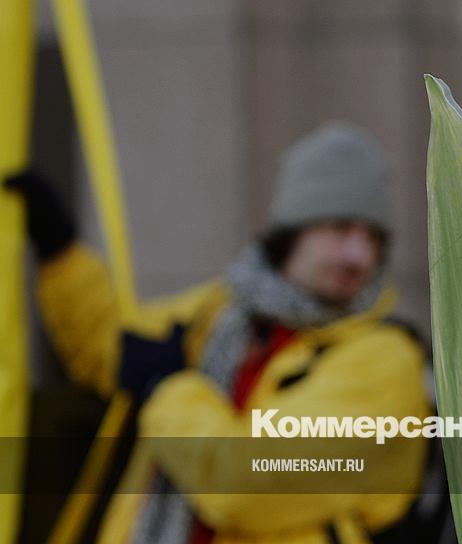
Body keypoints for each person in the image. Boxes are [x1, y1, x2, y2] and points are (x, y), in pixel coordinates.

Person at [6, 122, 434, 543]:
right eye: (340, 229)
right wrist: (59, 254)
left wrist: (166, 389)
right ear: (292, 231)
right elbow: (112, 353)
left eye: (373, 238)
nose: (359, 256)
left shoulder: (386, 361)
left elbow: (250, 483)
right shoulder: (223, 314)